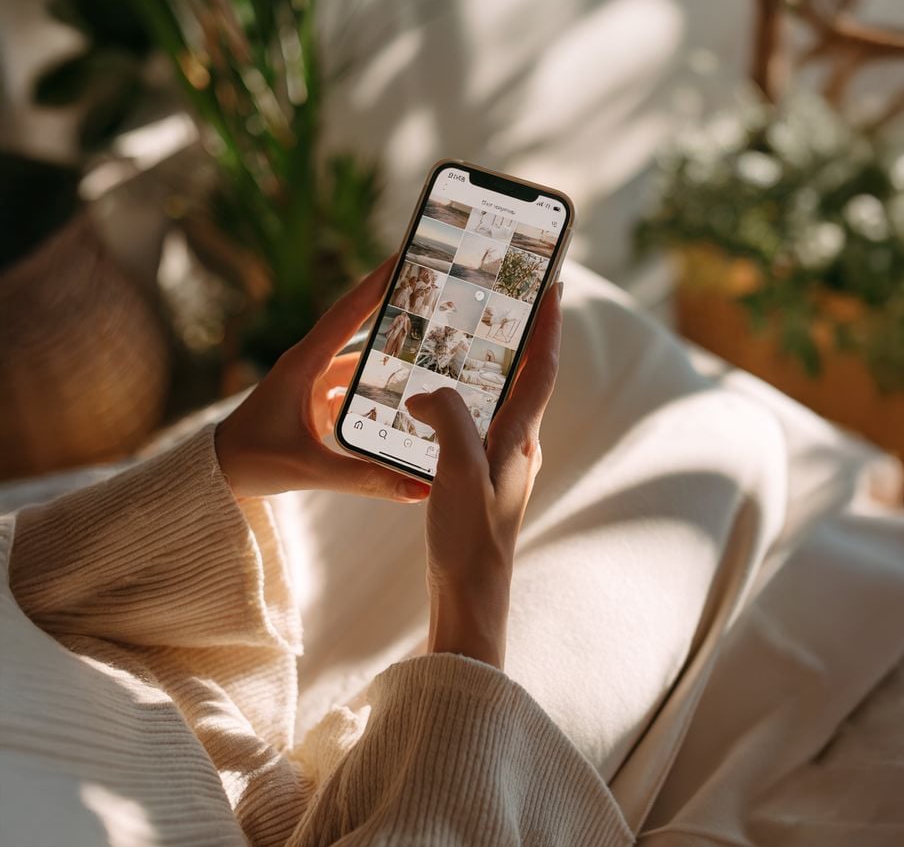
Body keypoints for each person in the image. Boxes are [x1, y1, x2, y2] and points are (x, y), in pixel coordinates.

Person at [2, 255, 631, 847]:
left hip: (169, 638)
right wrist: (473, 601)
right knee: (609, 374)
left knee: (594, 344)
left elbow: (18, 595)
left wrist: (223, 464)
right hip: (364, 785)